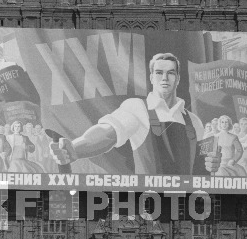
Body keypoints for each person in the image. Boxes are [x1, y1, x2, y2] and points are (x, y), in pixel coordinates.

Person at [50, 53, 204, 175]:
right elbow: (107, 133)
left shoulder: (194, 121)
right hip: (148, 206)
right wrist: (76, 149)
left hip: (184, 207)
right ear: (151, 78)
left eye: (170, 73)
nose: (164, 78)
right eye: (159, 73)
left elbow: (201, 167)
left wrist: (213, 165)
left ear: (177, 78)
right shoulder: (138, 108)